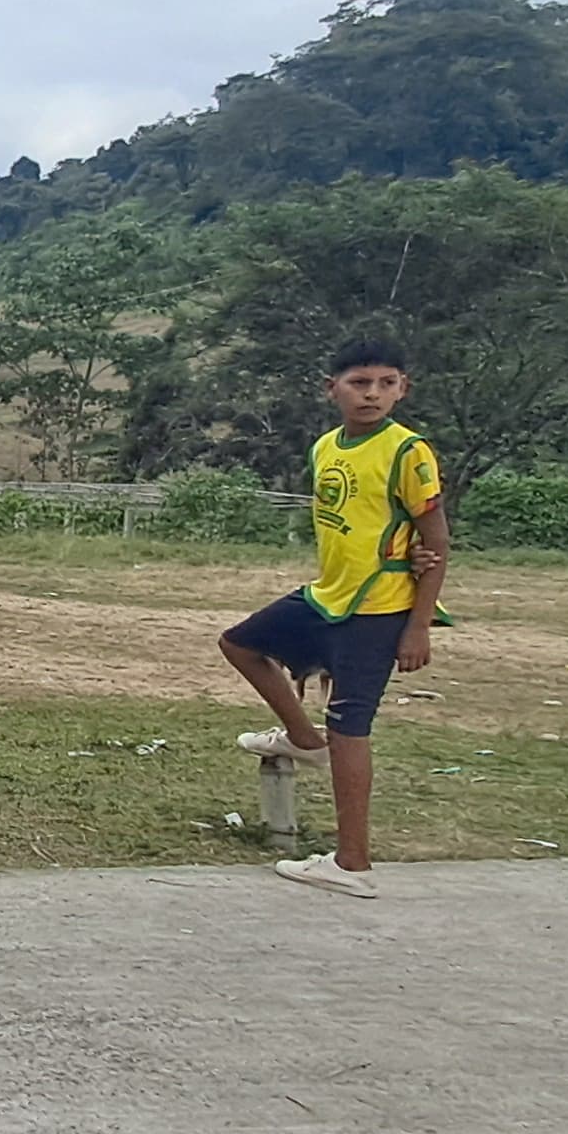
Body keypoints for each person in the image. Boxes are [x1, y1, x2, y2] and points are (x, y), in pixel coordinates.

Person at [218, 338, 449, 900]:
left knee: (350, 728)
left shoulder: (407, 451)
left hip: (380, 607)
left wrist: (418, 625)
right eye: (359, 383)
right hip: (330, 596)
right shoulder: (326, 447)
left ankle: (351, 864)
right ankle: (303, 739)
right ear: (332, 389)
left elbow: (437, 541)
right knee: (241, 644)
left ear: (403, 389)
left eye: (386, 383)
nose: (372, 394)